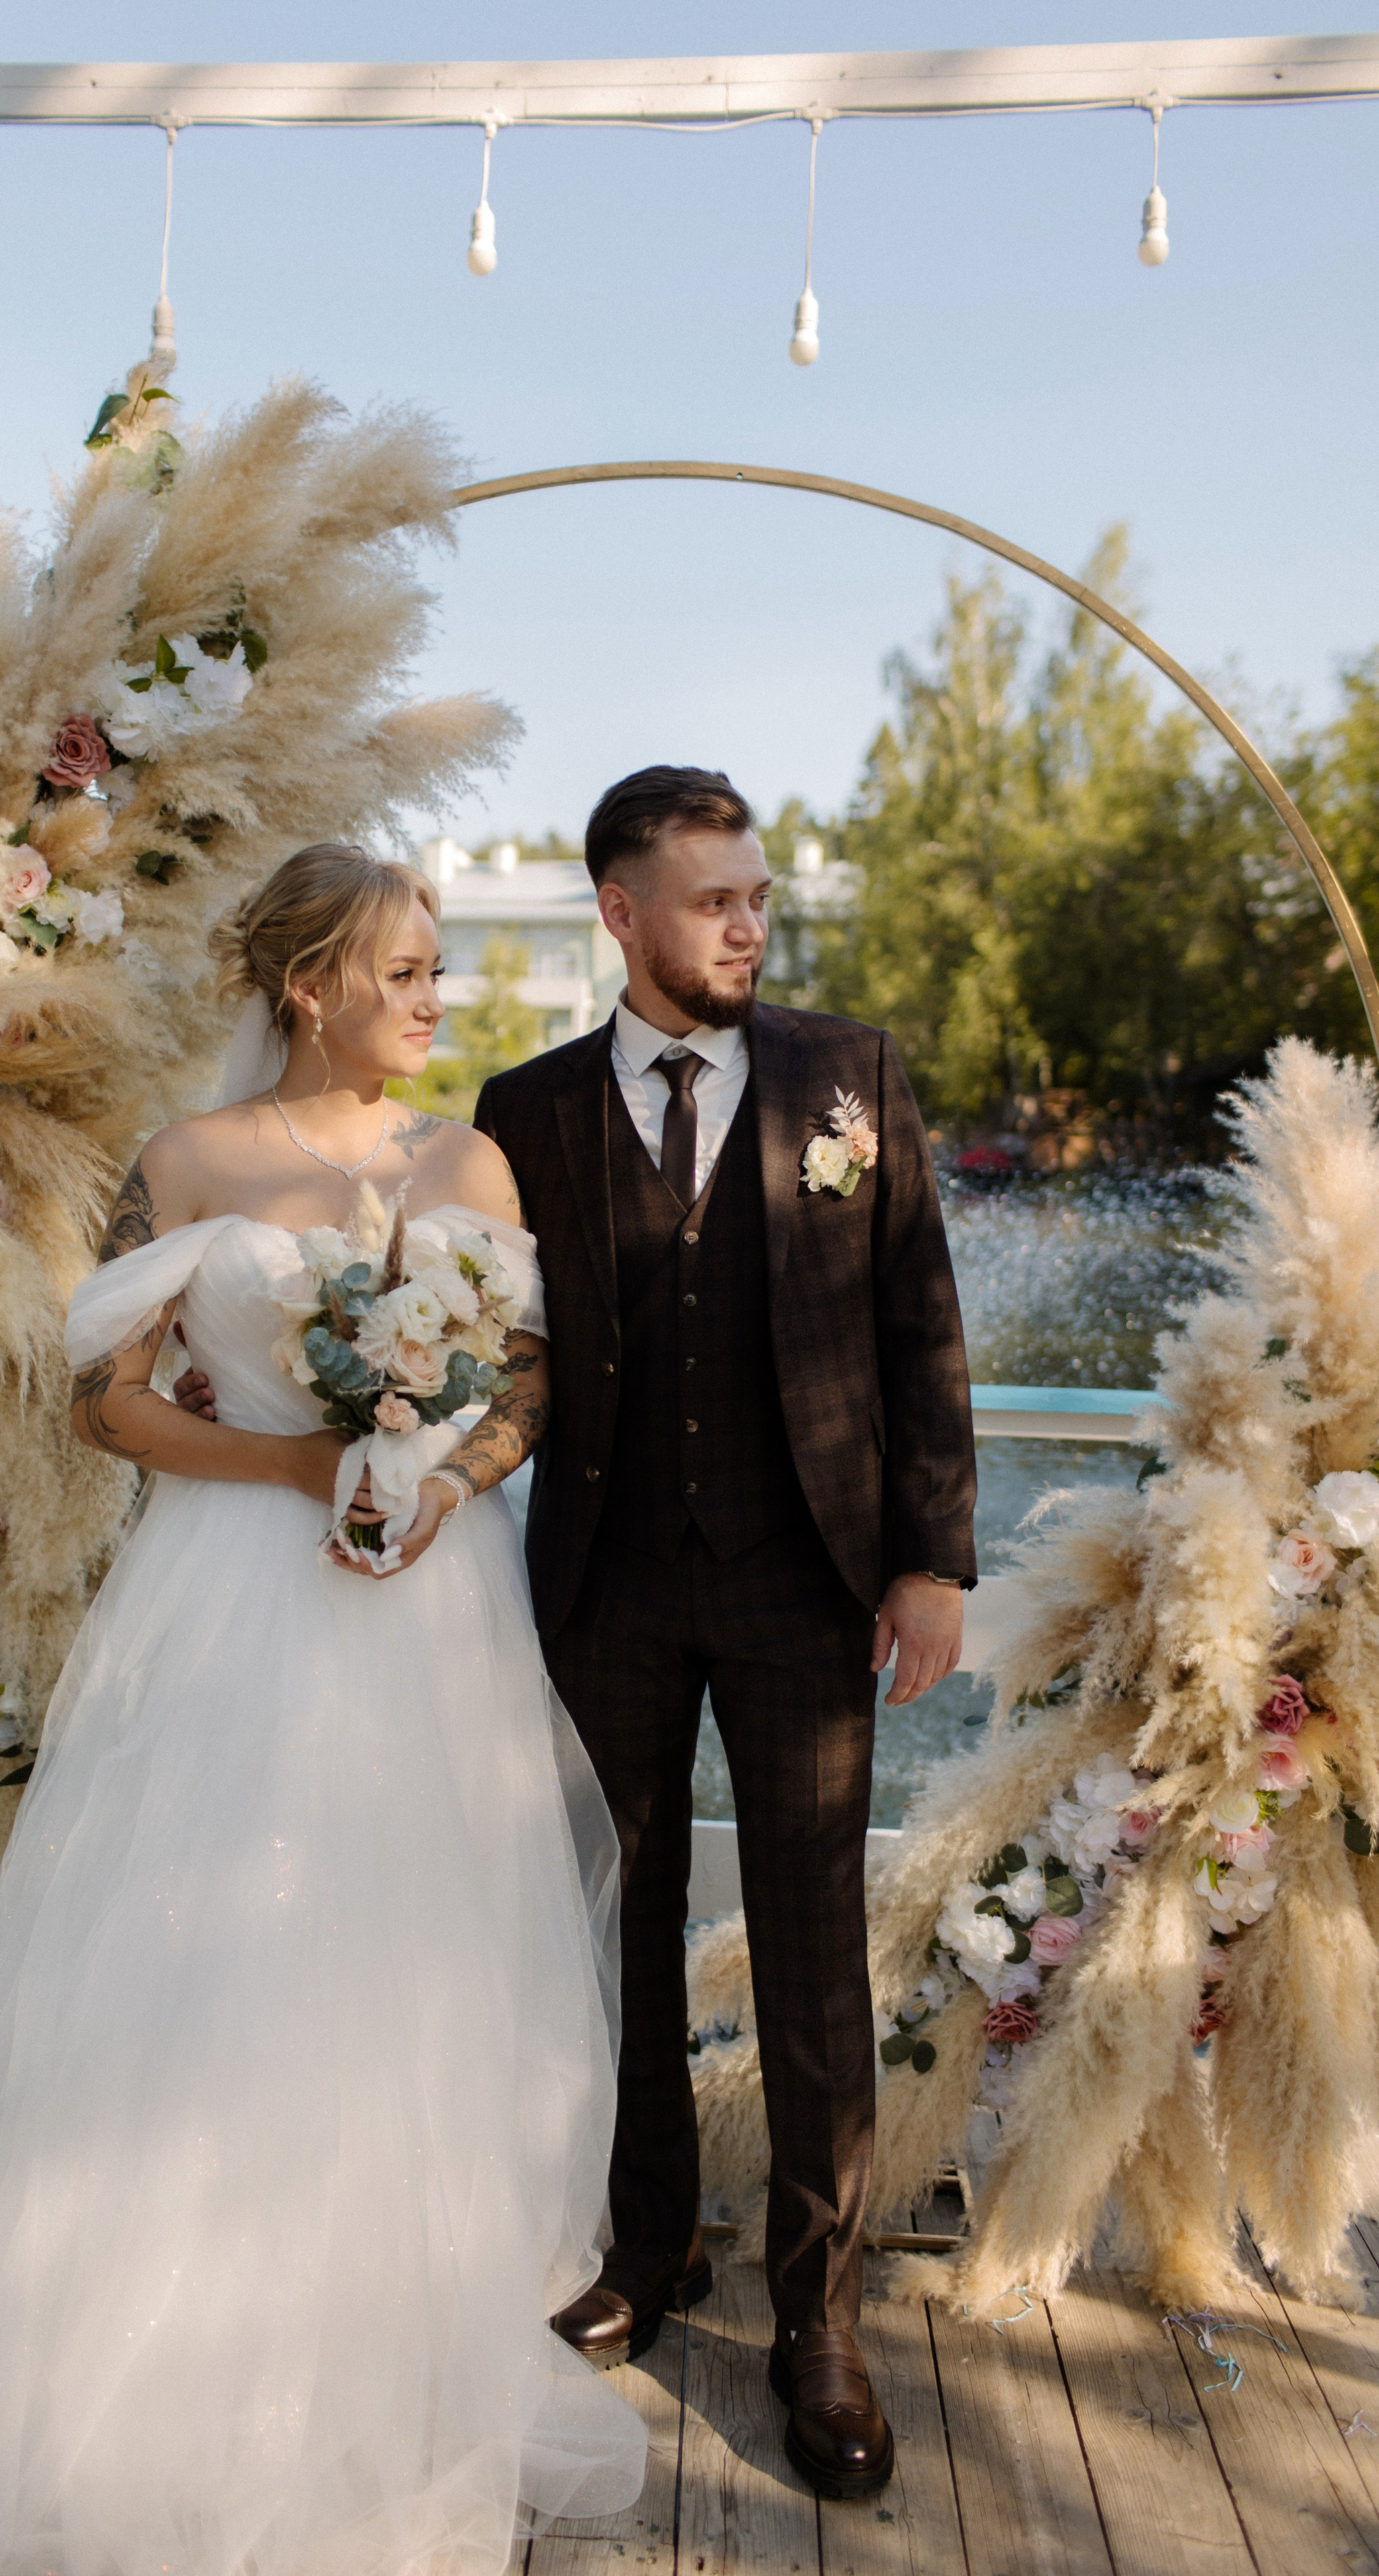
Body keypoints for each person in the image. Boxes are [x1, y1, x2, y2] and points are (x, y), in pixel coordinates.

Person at [0, 844, 647, 2576]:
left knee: (410, 1971)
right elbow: (104, 1403)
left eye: (438, 969)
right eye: (405, 970)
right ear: (307, 983)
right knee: (206, 1967)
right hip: (228, 1599)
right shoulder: (181, 1165)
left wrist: (444, 1482)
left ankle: (385, 2362)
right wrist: (302, 1463)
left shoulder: (464, 1157)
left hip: (421, 1613)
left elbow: (530, 1374)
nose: (433, 999)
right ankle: (158, 2364)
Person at [472, 767, 977, 2503]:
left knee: (812, 1950)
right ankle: (650, 2245)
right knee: (615, 1926)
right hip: (603, 1576)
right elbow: (493, 1346)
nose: (749, 924)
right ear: (621, 913)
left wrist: (935, 1561)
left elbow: (921, 1326)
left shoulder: (854, 1078)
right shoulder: (522, 1110)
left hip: (800, 1577)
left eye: (757, 895)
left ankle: (817, 2321)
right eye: (712, 899)